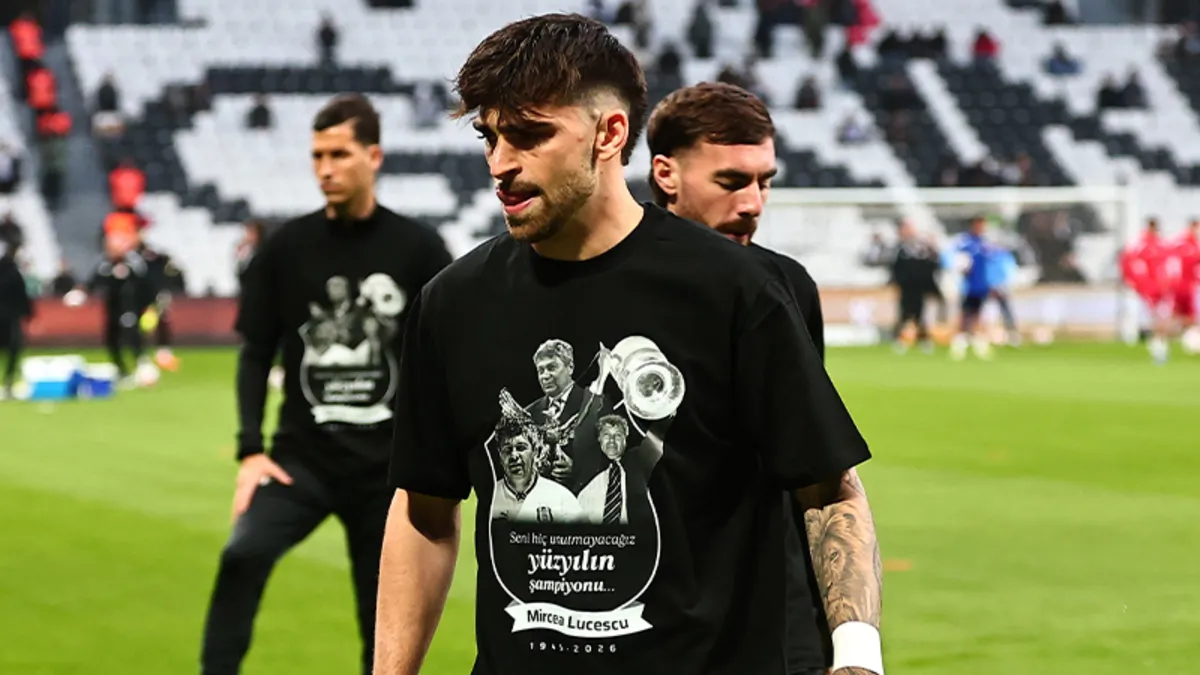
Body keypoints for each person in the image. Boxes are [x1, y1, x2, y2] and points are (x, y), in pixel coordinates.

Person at [377, 14, 883, 675]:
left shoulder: (735, 290)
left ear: (610, 134)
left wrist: (857, 657)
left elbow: (830, 488)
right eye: (490, 136)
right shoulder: (452, 303)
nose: (501, 164)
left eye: (530, 135)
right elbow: (424, 511)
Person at [198, 93, 453, 675]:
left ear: (374, 156)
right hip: (300, 463)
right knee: (242, 555)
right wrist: (250, 449)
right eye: (317, 156)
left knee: (379, 616)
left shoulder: (417, 249)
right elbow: (255, 352)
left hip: (384, 472)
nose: (325, 169)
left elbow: (447, 354)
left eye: (339, 154)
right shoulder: (285, 248)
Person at [643, 80, 848, 674]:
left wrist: (830, 630)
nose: (753, 203)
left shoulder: (785, 288)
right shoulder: (611, 286)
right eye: (731, 182)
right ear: (666, 174)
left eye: (764, 182)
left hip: (772, 607)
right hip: (645, 607)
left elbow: (810, 470)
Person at [86, 230, 152, 384]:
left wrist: (143, 305)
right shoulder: (105, 265)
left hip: (130, 308)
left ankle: (141, 365)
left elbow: (145, 285)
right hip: (112, 310)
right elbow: (95, 282)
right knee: (112, 340)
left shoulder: (134, 264)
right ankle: (121, 370)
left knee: (133, 337)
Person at [1120, 218, 1173, 363]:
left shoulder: (1162, 244)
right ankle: (1147, 342)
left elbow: (1168, 265)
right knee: (1147, 317)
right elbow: (1127, 263)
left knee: (1161, 318)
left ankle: (1159, 345)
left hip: (1160, 288)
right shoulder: (1138, 244)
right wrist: (1132, 282)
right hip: (1143, 289)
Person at [948, 216, 997, 360]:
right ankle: (959, 344)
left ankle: (978, 344)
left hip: (981, 286)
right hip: (968, 287)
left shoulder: (984, 243)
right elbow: (959, 264)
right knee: (965, 315)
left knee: (978, 315)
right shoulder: (965, 243)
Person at [887, 219, 940, 354]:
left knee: (920, 314)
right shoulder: (899, 249)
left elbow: (931, 266)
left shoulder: (921, 248)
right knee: (905, 313)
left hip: (919, 288)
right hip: (906, 288)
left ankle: (923, 339)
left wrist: (930, 286)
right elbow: (894, 268)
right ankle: (900, 339)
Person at [0, 240, 32, 398]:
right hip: (11, 319)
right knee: (13, 350)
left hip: (8, 317)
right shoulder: (14, 273)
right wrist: (28, 314)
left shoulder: (12, 273)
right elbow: (22, 296)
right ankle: (9, 381)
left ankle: (9, 381)